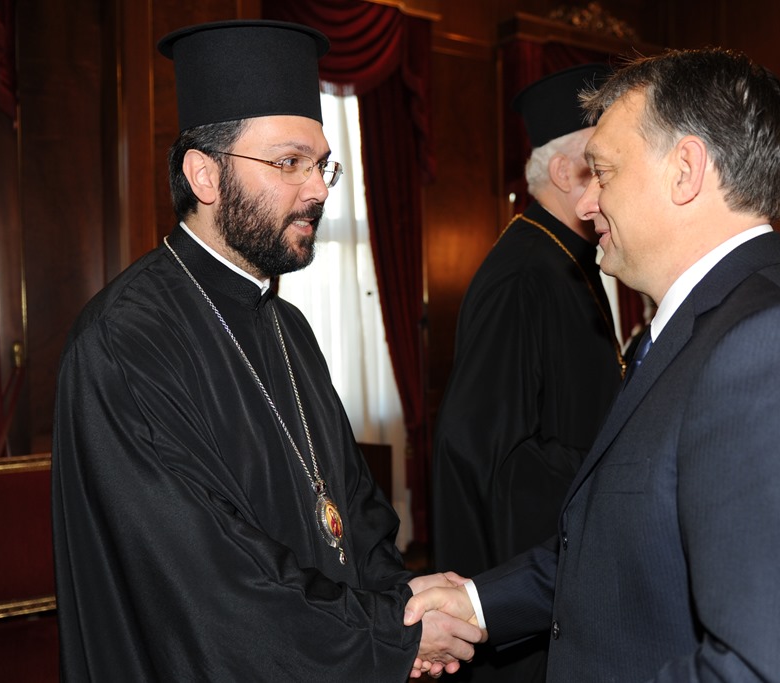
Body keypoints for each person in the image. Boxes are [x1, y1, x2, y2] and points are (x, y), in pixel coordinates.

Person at [406, 47, 780, 682]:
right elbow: (628, 541)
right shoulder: (705, 326)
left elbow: (778, 667)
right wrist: (479, 603)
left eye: (604, 173)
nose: (587, 205)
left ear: (685, 171)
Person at [51, 20, 478, 681]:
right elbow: (208, 580)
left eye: (322, 164)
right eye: (288, 163)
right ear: (204, 175)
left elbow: (356, 509)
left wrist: (400, 600)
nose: (319, 190)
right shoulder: (124, 343)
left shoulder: (289, 326)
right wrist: (387, 633)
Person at [431, 64, 625, 682]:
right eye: (604, 165)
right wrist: (615, 473)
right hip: (525, 599)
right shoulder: (523, 274)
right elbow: (488, 453)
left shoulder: (570, 258)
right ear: (567, 173)